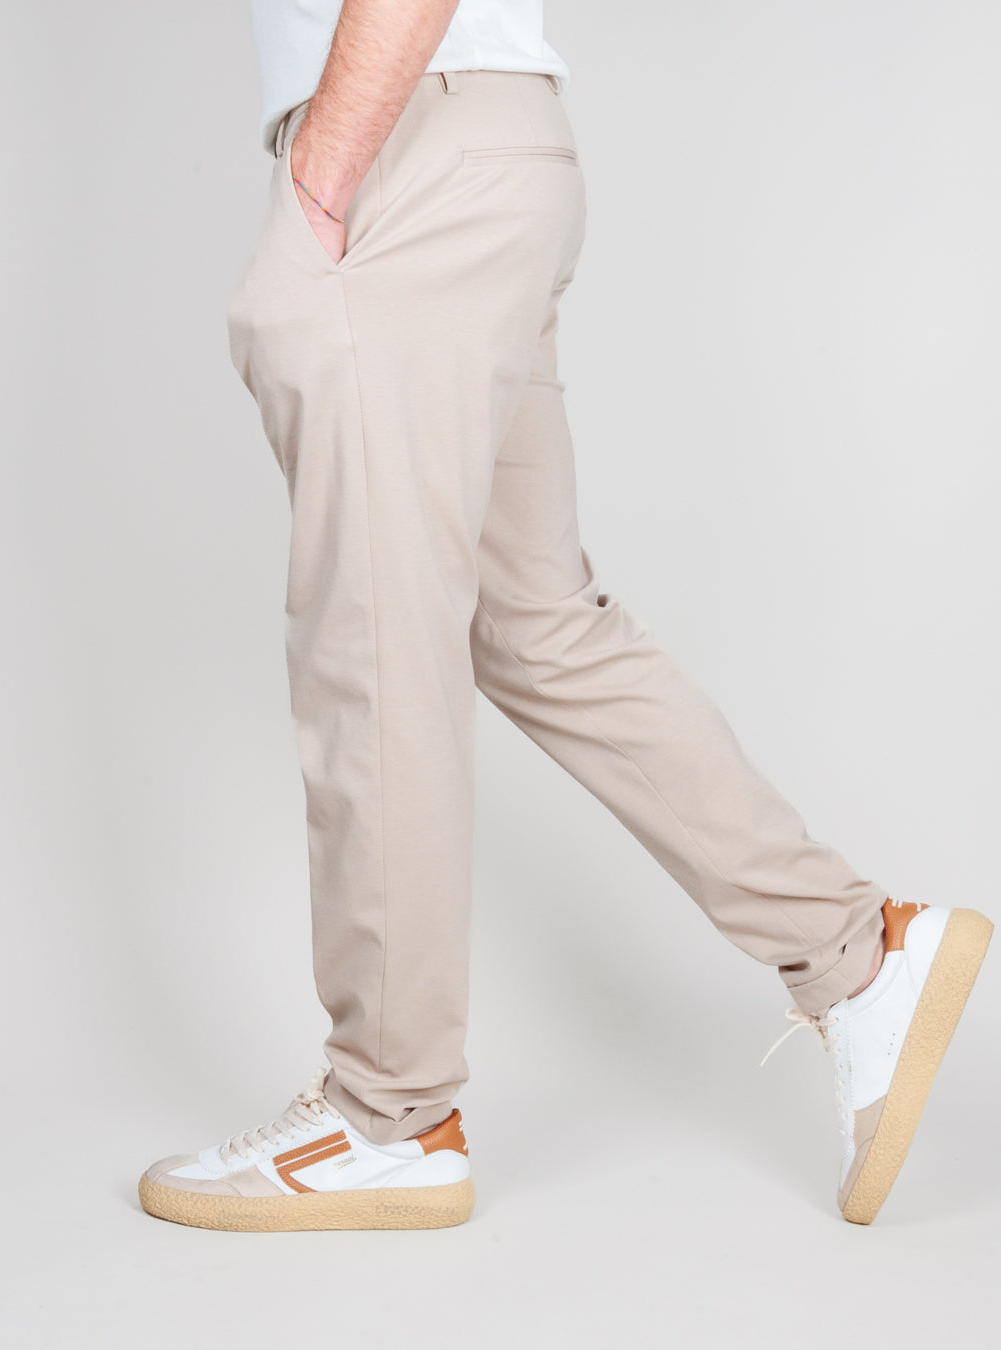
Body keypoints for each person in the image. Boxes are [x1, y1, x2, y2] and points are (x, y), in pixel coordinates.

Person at [138, 0, 992, 1232]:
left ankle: (388, 1113)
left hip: (401, 146)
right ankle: (860, 955)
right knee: (534, 624)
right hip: (489, 138)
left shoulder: (364, 156)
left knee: (374, 644)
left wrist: (320, 174)